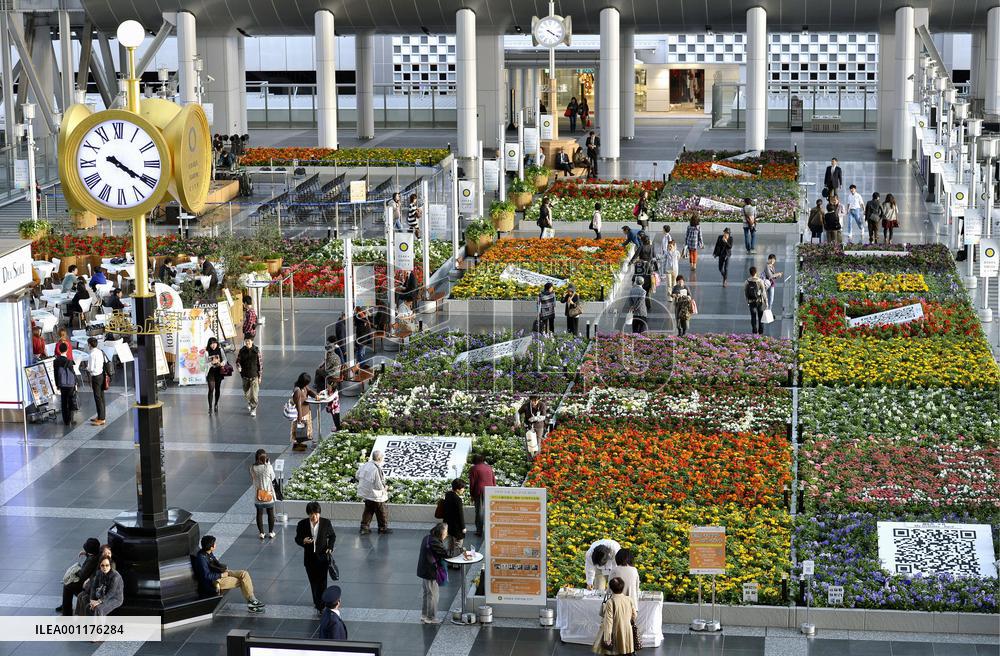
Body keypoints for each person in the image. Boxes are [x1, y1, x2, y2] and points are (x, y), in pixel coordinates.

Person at [194, 535, 265, 612]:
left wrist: (223, 568)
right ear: (211, 547)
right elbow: (206, 576)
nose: (216, 544)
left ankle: (252, 599)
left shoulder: (208, 552)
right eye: (214, 543)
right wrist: (221, 575)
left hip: (220, 573)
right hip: (215, 581)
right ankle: (252, 603)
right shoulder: (201, 558)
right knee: (242, 581)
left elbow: (216, 564)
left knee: (244, 574)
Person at [295, 502, 337, 613]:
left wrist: (330, 547)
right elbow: (297, 538)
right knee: (313, 583)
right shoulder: (302, 524)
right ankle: (317, 602)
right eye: (311, 514)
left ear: (319, 513)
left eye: (316, 513)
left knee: (322, 583)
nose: (314, 516)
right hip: (309, 559)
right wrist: (303, 541)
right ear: (308, 514)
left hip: (322, 558)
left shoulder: (326, 523)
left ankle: (321, 605)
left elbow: (332, 536)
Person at [592, 576, 638, 656]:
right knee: (626, 650)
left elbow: (608, 621)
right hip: (627, 629)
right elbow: (634, 615)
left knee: (613, 652)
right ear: (623, 587)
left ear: (611, 588)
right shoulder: (629, 599)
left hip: (615, 630)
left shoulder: (610, 602)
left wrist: (607, 637)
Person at [417, 523, 450, 624]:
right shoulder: (434, 542)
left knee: (427, 593)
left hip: (424, 570)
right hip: (430, 572)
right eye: (446, 532)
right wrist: (461, 551)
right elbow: (446, 554)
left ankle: (424, 615)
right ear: (441, 533)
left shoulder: (427, 537)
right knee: (433, 594)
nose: (446, 534)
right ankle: (430, 618)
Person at [61, 538, 100, 615]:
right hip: (89, 581)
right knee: (68, 586)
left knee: (67, 586)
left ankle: (66, 612)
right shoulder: (97, 554)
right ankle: (65, 606)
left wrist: (76, 571)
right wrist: (86, 554)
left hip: (87, 585)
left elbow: (82, 575)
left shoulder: (91, 560)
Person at [356, 451, 391, 535]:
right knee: (382, 511)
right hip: (376, 495)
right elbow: (379, 484)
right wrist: (385, 488)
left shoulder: (365, 465)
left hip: (366, 493)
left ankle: (364, 528)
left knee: (368, 510)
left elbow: (357, 475)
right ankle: (383, 528)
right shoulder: (376, 468)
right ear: (379, 458)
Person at [75, 544, 115, 615]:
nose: (107, 555)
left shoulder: (110, 565)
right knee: (80, 596)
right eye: (105, 553)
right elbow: (95, 575)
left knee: (84, 599)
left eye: (109, 553)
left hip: (101, 592)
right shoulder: (100, 561)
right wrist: (86, 554)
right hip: (95, 588)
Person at [250, 449, 276, 540]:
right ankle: (271, 532)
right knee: (270, 513)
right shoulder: (268, 467)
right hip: (268, 494)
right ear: (265, 457)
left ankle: (261, 533)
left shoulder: (253, 468)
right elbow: (273, 477)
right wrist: (268, 464)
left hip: (258, 495)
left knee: (259, 514)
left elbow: (253, 477)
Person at [468, 454, 496, 537]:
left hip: (479, 491)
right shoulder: (489, 467)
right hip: (490, 490)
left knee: (479, 511)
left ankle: (479, 531)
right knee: (490, 510)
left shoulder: (474, 468)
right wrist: (494, 490)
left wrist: (472, 495)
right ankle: (491, 530)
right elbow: (493, 480)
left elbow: (472, 483)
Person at [236, 334, 262, 416]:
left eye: (249, 341)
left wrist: (260, 377)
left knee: (254, 395)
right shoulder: (242, 351)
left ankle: (253, 408)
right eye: (246, 341)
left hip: (254, 376)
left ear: (252, 341)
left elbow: (260, 365)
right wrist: (238, 366)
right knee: (247, 393)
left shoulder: (256, 351)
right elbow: (238, 361)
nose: (247, 342)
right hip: (245, 376)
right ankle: (250, 403)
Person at [291, 373, 318, 450]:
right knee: (300, 430)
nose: (307, 385)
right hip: (301, 413)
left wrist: (315, 395)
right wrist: (300, 419)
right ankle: (297, 445)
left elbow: (309, 391)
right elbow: (298, 405)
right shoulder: (298, 391)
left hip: (306, 411)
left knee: (304, 430)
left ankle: (300, 443)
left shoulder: (304, 386)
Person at [441, 479, 467, 557]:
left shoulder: (448, 495)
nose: (463, 489)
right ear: (458, 489)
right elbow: (460, 515)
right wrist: (463, 527)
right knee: (458, 544)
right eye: (462, 488)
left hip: (448, 524)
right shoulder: (458, 500)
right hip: (456, 527)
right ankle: (456, 560)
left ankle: (450, 558)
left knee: (450, 544)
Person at [53, 343, 77, 425]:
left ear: (59, 350)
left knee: (63, 401)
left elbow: (55, 374)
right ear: (67, 350)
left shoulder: (56, 361)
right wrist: (75, 383)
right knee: (71, 400)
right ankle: (71, 419)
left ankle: (66, 420)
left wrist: (57, 384)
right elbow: (73, 373)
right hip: (70, 384)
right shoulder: (69, 361)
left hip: (61, 383)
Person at [86, 337, 106, 426]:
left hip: (95, 377)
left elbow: (90, 368)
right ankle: (101, 416)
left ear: (90, 344)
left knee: (98, 398)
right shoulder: (99, 351)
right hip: (101, 375)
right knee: (101, 397)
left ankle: (101, 419)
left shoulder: (91, 354)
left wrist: (86, 368)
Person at [745, 266, 769, 335]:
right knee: (760, 317)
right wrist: (766, 301)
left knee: (753, 317)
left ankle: (754, 331)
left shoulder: (747, 282)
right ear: (756, 272)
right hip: (759, 301)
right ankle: (760, 332)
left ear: (750, 273)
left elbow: (745, 292)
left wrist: (747, 300)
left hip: (751, 302)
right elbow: (763, 292)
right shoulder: (760, 281)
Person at [205, 337, 225, 414]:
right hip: (211, 372)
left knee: (217, 389)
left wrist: (221, 363)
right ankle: (210, 407)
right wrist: (211, 363)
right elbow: (205, 364)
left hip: (218, 372)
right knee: (211, 389)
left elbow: (225, 359)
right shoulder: (207, 352)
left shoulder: (220, 350)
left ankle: (216, 404)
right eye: (211, 344)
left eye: (214, 343)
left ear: (217, 343)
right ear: (209, 345)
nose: (213, 345)